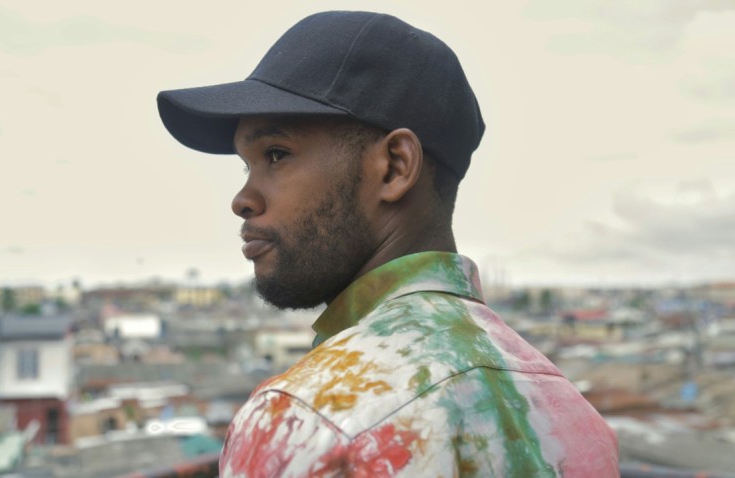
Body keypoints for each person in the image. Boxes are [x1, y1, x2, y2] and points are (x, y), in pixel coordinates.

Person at [156, 10, 619, 478]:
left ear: (396, 167)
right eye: (246, 166)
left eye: (276, 154)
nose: (243, 200)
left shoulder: (306, 421)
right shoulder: (573, 413)